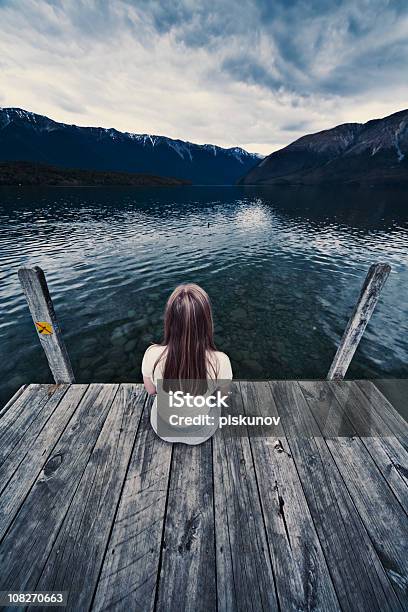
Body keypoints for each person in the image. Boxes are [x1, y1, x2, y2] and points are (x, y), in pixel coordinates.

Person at [141, 283, 232, 444]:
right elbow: (221, 397)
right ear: (207, 321)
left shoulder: (152, 353)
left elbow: (151, 390)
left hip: (164, 429)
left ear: (169, 320)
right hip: (200, 433)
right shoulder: (220, 361)